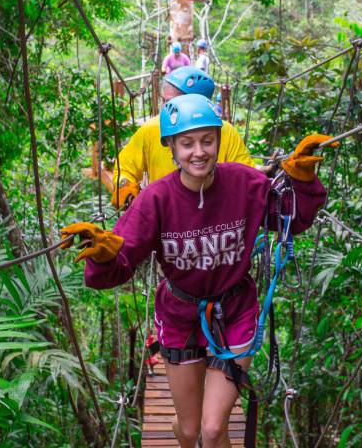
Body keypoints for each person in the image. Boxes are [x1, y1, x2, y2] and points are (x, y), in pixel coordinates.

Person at [61, 94, 334, 447]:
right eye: (186, 143)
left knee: (212, 428)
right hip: (180, 315)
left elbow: (289, 217)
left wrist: (302, 181)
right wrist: (102, 257)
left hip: (235, 310)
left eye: (207, 140)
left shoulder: (245, 183)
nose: (198, 152)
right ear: (171, 148)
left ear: (219, 142)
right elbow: (121, 261)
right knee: (189, 431)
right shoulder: (156, 199)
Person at [111, 66, 255, 210]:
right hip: (166, 214)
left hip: (215, 213)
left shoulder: (225, 132)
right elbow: (124, 169)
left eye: (173, 104)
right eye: (164, 102)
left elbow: (246, 175)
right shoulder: (151, 130)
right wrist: (125, 187)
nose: (166, 110)